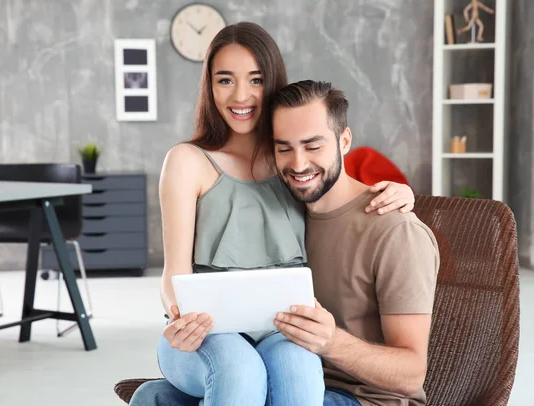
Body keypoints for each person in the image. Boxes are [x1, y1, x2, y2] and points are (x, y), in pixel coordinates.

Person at [129, 23, 416, 406]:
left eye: (256, 80)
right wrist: (180, 316)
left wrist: (405, 192)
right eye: (225, 80)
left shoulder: (290, 163)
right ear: (209, 87)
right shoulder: (187, 162)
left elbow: (340, 192)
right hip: (203, 336)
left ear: (272, 83)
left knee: (300, 377)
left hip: (282, 330)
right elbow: (173, 276)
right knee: (240, 371)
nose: (241, 95)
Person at [268, 80, 440, 405]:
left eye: (313, 146)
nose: (299, 164)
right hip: (288, 378)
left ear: (344, 141)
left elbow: (412, 373)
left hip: (365, 400)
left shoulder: (395, 230)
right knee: (156, 396)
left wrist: (330, 341)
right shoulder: (283, 215)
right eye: (284, 148)